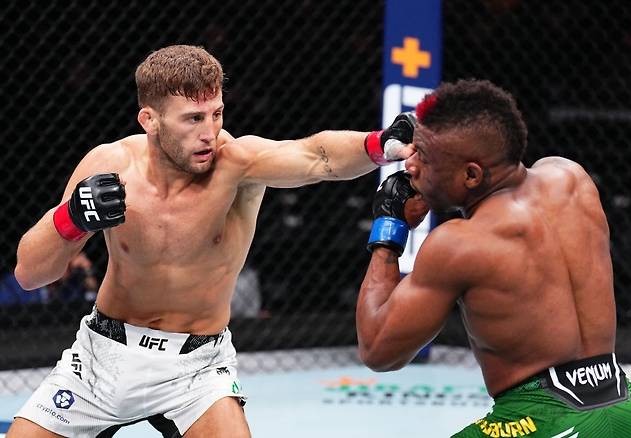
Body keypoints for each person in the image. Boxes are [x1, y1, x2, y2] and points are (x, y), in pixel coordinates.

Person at [8, 44, 415, 438]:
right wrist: (71, 219)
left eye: (216, 114)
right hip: (102, 355)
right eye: (193, 119)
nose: (210, 133)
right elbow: (29, 274)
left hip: (196, 367)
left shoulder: (237, 164)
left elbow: (316, 157)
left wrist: (382, 144)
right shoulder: (111, 164)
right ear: (149, 120)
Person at [356, 79, 631, 437]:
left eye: (425, 158)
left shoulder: (459, 243)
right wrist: (439, 139)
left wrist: (389, 229)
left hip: (544, 422)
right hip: (625, 410)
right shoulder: (573, 178)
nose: (411, 166)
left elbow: (378, 350)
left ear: (471, 174)